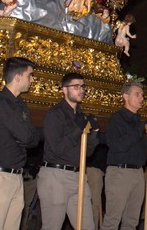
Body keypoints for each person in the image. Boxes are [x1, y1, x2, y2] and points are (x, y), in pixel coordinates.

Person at [0, 57, 40, 230]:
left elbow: (33, 139)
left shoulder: (20, 104)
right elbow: (27, 137)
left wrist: (25, 136)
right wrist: (26, 137)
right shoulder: (0, 102)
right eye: (30, 75)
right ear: (18, 77)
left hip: (16, 176)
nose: (32, 80)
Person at [36, 72, 100, 230]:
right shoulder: (55, 114)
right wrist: (77, 129)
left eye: (83, 86)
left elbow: (88, 153)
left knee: (87, 226)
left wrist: (95, 132)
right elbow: (57, 148)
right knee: (52, 226)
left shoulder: (80, 115)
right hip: (56, 176)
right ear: (64, 90)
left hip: (78, 175)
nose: (81, 90)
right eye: (76, 86)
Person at [100, 81, 147, 230]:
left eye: (142, 95)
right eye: (137, 94)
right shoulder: (117, 118)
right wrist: (139, 130)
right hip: (120, 172)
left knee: (132, 221)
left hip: (138, 173)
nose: (141, 98)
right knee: (113, 219)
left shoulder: (139, 120)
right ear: (125, 96)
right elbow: (117, 145)